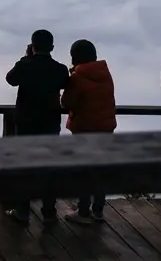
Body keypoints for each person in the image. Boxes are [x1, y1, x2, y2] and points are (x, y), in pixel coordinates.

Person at [4, 29, 69, 224]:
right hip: (50, 122)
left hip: (25, 123)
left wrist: (26, 58)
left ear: (32, 46)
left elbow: (10, 79)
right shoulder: (60, 69)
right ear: (52, 47)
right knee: (49, 168)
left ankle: (22, 211)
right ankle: (49, 212)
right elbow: (66, 83)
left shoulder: (25, 65)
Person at [60, 39, 116, 224]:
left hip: (85, 129)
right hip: (106, 128)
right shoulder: (104, 73)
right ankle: (98, 210)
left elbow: (67, 103)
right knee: (100, 170)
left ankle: (83, 212)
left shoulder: (78, 77)